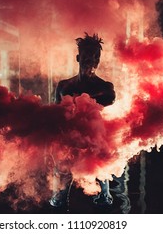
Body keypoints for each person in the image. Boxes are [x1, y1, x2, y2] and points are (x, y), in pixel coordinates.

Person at [49, 32, 116, 208]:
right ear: (78, 57)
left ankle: (105, 202)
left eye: (96, 57)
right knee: (59, 198)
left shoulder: (105, 87)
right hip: (69, 139)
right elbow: (56, 113)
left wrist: (81, 99)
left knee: (104, 198)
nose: (92, 60)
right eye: (88, 55)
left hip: (94, 141)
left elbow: (110, 98)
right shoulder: (63, 85)